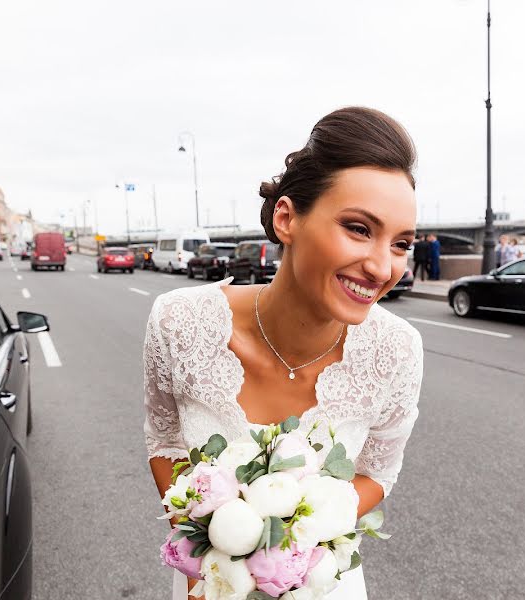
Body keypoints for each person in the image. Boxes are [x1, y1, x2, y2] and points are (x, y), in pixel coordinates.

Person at [143, 107, 423, 600]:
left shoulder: (397, 350)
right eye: (359, 228)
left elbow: (377, 472)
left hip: (322, 584)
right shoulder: (177, 322)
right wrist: (215, 558)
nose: (383, 267)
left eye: (400, 243)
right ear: (287, 217)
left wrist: (295, 536)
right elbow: (165, 444)